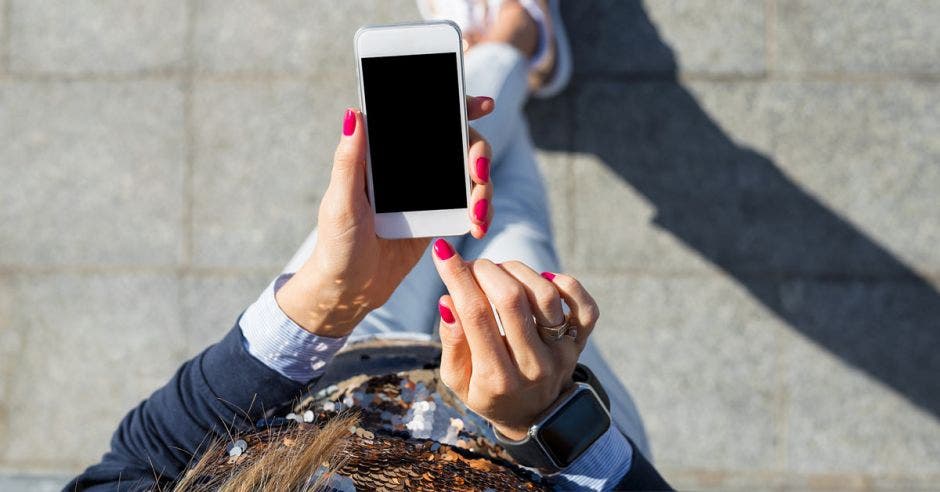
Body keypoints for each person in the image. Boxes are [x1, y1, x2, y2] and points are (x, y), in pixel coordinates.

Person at [68, 1, 670, 490]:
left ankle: (510, 46)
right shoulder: (548, 414)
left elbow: (134, 466)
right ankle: (513, 39)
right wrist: (548, 420)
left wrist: (324, 302)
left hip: (341, 357)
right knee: (516, 228)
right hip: (544, 413)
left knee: (467, 174)